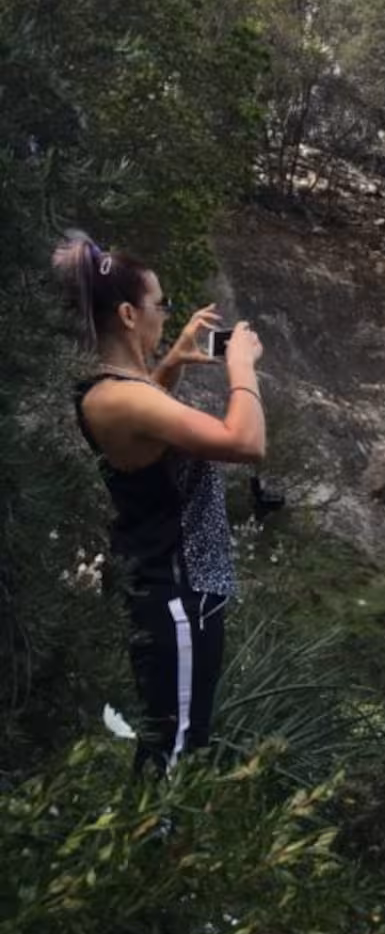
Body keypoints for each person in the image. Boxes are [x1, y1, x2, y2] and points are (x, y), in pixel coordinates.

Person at [58, 233, 265, 775]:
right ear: (129, 313)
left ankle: (157, 850)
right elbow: (245, 442)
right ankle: (157, 853)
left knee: (174, 738)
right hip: (176, 590)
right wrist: (242, 366)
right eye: (162, 305)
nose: (168, 315)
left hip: (177, 584)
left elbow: (147, 432)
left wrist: (171, 361)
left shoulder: (116, 388)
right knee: (176, 751)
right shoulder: (122, 398)